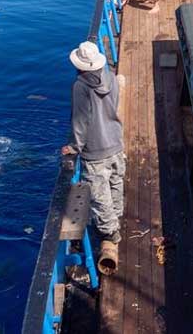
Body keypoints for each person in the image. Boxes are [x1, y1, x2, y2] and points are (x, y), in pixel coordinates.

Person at [62, 41, 125, 245]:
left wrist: (74, 147)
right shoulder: (111, 78)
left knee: (100, 194)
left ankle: (110, 233)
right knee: (116, 181)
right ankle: (117, 215)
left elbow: (80, 121)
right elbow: (112, 106)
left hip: (95, 150)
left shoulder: (80, 86)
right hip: (115, 140)